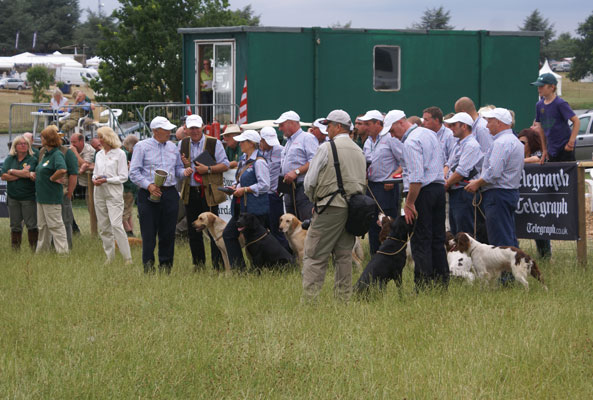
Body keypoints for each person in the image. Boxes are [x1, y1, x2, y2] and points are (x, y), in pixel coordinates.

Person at [302, 110, 366, 301]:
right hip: (352, 209)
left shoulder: (327, 148)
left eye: (329, 125)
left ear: (338, 127)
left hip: (329, 206)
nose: (326, 129)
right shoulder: (359, 150)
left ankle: (310, 301)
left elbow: (309, 181)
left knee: (314, 254)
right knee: (344, 256)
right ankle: (343, 300)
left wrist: (315, 199)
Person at [385, 110, 449, 290]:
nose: (392, 135)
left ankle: (423, 284)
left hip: (422, 192)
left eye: (391, 130)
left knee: (421, 239)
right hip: (437, 187)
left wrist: (410, 202)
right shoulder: (429, 133)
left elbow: (416, 177)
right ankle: (442, 280)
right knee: (437, 238)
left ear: (400, 123)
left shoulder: (411, 142)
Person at [129, 116, 193, 273]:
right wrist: (149, 185)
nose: (170, 132)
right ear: (156, 131)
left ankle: (166, 268)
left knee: (168, 232)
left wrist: (184, 172)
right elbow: (134, 172)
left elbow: (177, 170)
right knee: (149, 233)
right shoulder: (142, 146)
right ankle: (148, 268)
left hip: (169, 192)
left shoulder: (173, 147)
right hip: (148, 193)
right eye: (166, 130)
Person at [465, 108, 524, 249]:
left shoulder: (501, 143)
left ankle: (506, 271)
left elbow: (494, 172)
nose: (486, 125)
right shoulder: (514, 140)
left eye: (489, 121)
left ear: (499, 123)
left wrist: (477, 183)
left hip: (497, 194)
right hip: (508, 192)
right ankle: (514, 267)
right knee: (508, 233)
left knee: (499, 237)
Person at [178, 114, 229, 270]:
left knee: (214, 229)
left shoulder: (214, 143)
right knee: (194, 229)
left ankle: (218, 265)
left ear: (202, 127)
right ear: (186, 129)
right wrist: (183, 171)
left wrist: (207, 169)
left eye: (196, 127)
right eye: (191, 128)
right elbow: (176, 168)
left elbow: (225, 164)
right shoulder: (181, 144)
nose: (194, 131)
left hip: (209, 192)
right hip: (191, 191)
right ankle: (198, 264)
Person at [222, 130, 270, 270]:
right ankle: (239, 268)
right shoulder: (244, 159)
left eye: (243, 141)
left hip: (254, 208)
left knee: (256, 240)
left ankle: (258, 269)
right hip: (242, 208)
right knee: (229, 235)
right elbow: (241, 180)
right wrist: (236, 186)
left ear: (251, 144)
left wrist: (246, 189)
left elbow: (265, 185)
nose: (240, 144)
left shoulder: (259, 162)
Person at [360, 109, 403, 255]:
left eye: (368, 124)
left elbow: (404, 162)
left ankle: (391, 254)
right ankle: (375, 255)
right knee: (372, 221)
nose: (365, 127)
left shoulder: (390, 138)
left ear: (378, 124)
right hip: (371, 186)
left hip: (387, 188)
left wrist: (393, 177)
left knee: (387, 223)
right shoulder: (367, 142)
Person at [92, 127, 132, 264]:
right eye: (99, 137)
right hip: (99, 192)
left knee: (116, 225)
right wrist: (94, 179)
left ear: (108, 138)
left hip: (113, 192)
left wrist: (107, 180)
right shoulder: (99, 154)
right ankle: (110, 257)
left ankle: (127, 258)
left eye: (101, 137)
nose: (99, 140)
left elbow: (123, 177)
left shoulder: (120, 154)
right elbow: (95, 172)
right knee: (104, 227)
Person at [443, 112, 484, 236]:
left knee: (464, 232)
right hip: (456, 191)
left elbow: (461, 172)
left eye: (454, 125)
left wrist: (446, 183)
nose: (451, 128)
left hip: (465, 192)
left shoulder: (471, 145)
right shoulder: (458, 144)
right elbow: (448, 165)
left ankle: (465, 256)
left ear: (464, 126)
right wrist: (445, 180)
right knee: (456, 229)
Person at [275, 110, 319, 221]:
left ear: (291, 123)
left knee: (305, 221)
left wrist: (296, 172)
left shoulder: (307, 138)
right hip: (290, 188)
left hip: (303, 188)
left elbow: (315, 161)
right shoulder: (289, 141)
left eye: (282, 125)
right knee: (292, 224)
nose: (280, 128)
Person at [32, 126, 68, 254]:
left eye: (42, 137)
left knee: (56, 225)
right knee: (42, 226)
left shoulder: (56, 154)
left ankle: (63, 253)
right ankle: (42, 252)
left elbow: (62, 169)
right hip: (41, 196)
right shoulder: (45, 154)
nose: (40, 139)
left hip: (51, 196)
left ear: (48, 139)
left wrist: (53, 178)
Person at [531, 72, 580, 162]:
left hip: (564, 147)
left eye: (542, 86)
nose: (539, 89)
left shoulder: (560, 103)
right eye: (538, 86)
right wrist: (544, 149)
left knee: (567, 174)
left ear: (552, 87)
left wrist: (571, 143)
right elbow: (541, 128)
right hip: (551, 149)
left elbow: (576, 121)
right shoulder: (539, 105)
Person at [518, 128, 552, 258]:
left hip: (538, 200)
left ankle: (545, 256)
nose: (520, 145)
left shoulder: (538, 152)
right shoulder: (520, 154)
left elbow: (538, 159)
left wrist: (518, 161)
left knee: (539, 226)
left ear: (531, 143)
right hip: (522, 200)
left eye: (523, 143)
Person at [1, 135, 38, 250]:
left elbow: (31, 175)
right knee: (15, 225)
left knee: (31, 224)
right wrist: (22, 174)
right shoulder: (9, 159)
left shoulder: (32, 159)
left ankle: (34, 249)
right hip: (13, 197)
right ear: (15, 146)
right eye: (20, 143)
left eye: (25, 143)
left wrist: (12, 171)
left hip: (28, 197)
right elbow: (3, 176)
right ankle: (15, 250)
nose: (23, 145)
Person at [259, 126, 289, 249]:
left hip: (274, 194)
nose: (269, 145)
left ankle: (286, 258)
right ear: (261, 140)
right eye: (267, 142)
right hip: (261, 194)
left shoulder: (281, 150)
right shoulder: (258, 152)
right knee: (264, 228)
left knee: (277, 228)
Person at [69, 133, 97, 235]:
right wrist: (79, 169)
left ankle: (97, 232)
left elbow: (86, 165)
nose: (72, 144)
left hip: (90, 182)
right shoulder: (71, 150)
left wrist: (75, 154)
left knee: (93, 208)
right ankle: (75, 230)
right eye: (71, 142)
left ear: (82, 141)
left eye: (74, 142)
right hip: (79, 180)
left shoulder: (89, 150)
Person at [122, 135, 139, 236]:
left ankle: (129, 233)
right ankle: (131, 234)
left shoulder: (124, 154)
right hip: (131, 187)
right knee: (128, 212)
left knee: (122, 213)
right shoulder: (129, 154)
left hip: (126, 187)